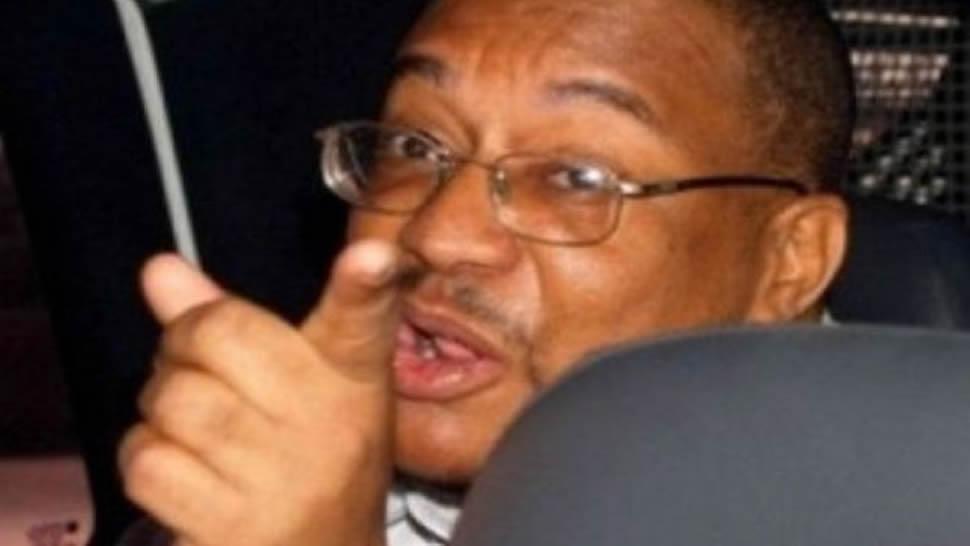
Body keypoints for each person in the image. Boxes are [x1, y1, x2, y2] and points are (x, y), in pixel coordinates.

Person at [117, 0, 857, 544]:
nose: (438, 235)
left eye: (575, 177)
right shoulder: (288, 483)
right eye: (414, 145)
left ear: (789, 264)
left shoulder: (896, 506)